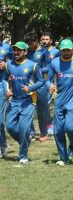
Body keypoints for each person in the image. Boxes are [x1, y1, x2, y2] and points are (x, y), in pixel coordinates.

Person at [2, 41, 44, 163]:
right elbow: (4, 78)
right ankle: (24, 142)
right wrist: (6, 89)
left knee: (23, 128)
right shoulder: (9, 65)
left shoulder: (33, 65)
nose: (16, 52)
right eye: (14, 50)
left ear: (25, 52)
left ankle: (23, 156)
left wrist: (30, 88)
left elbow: (41, 81)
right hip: (14, 100)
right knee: (9, 126)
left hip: (28, 101)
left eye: (19, 50)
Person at [25, 32, 50, 142]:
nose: (31, 45)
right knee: (27, 109)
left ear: (37, 41)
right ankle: (31, 132)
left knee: (42, 110)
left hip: (41, 84)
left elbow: (49, 66)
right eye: (29, 43)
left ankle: (44, 133)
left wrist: (37, 70)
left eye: (33, 42)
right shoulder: (25, 52)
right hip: (28, 84)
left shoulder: (44, 51)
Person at [41, 31, 60, 135]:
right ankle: (49, 124)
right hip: (41, 81)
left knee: (54, 103)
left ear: (51, 41)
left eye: (47, 39)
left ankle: (53, 125)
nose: (44, 41)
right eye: (43, 39)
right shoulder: (38, 51)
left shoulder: (56, 52)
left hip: (53, 81)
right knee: (44, 104)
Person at [0, 29, 13, 157]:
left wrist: (6, 65)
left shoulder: (6, 47)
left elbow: (15, 63)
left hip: (1, 85)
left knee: (0, 120)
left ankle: (2, 145)